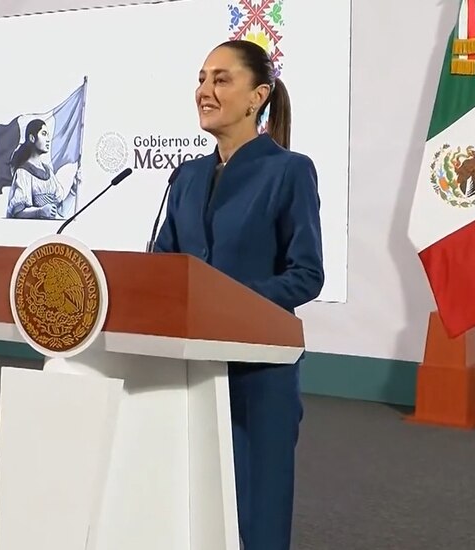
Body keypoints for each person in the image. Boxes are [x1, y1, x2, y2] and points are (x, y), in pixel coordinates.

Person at [152, 39, 324, 549]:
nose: (205, 90)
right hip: (188, 371)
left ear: (258, 96)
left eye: (221, 79)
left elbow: (306, 274)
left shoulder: (289, 171)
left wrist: (224, 302)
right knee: (194, 510)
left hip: (258, 372)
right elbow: (164, 267)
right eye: (202, 79)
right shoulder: (185, 176)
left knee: (257, 515)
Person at [5, 118, 81, 220]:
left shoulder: (48, 171)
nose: (48, 139)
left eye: (48, 135)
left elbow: (62, 211)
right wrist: (39, 212)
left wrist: (73, 189)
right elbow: (17, 212)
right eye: (44, 134)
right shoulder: (23, 172)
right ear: (32, 138)